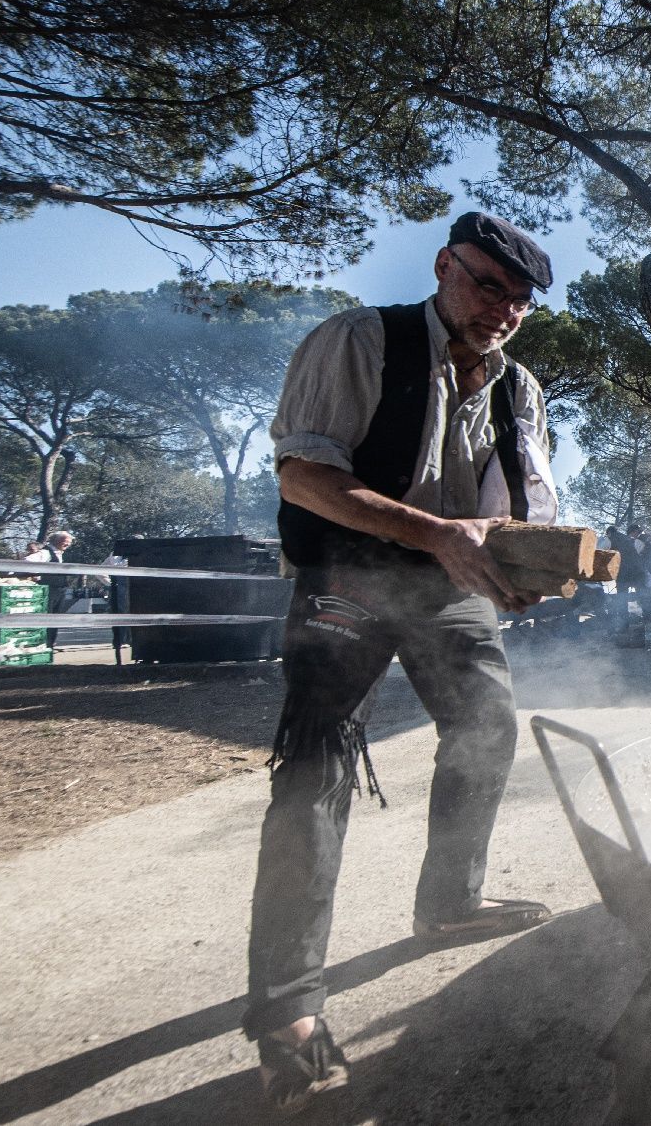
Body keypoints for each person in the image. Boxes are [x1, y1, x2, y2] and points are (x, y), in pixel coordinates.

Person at [248, 211, 559, 1113]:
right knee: (316, 768)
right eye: (486, 284)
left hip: (449, 578)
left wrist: (533, 567)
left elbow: (518, 508)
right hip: (349, 568)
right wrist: (433, 530)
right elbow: (303, 476)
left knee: (488, 725)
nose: (501, 309)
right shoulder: (359, 340)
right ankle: (288, 1011)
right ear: (443, 267)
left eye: (520, 300)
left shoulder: (520, 387)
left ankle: (449, 900)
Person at [28, 531, 73, 648]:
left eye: (69, 543)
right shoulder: (45, 552)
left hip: (60, 591)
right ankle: (45, 644)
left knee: (55, 619)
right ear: (56, 541)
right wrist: (36, 576)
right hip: (49, 590)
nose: (68, 545)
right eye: (65, 542)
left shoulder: (60, 553)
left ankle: (50, 645)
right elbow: (27, 561)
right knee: (47, 618)